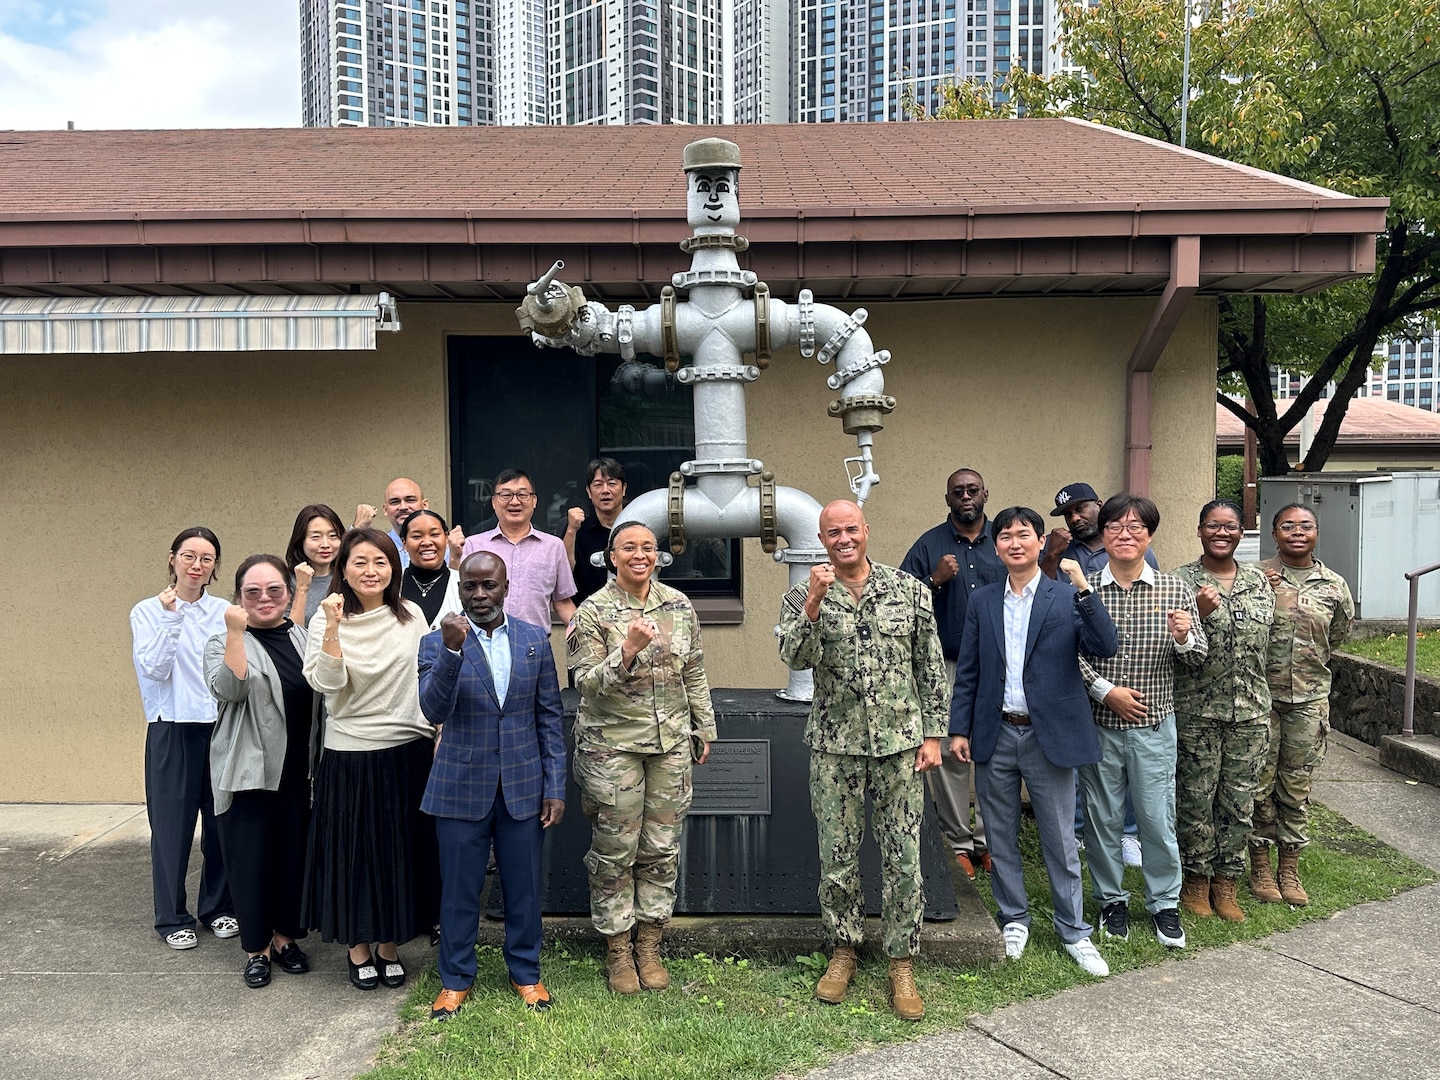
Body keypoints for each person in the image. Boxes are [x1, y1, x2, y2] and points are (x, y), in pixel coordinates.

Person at [777, 500, 948, 1022]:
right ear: (822, 539)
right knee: (837, 855)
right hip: (835, 747)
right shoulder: (802, 595)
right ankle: (843, 950)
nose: (843, 538)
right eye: (833, 532)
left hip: (900, 746)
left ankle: (901, 961)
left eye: (851, 529)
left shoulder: (908, 590)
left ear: (866, 531)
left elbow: (930, 666)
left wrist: (934, 735)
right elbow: (794, 657)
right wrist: (813, 602)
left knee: (903, 857)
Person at [949, 507, 1117, 977]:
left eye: (1024, 534)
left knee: (1060, 837)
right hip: (996, 730)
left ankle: (1074, 930)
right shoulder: (983, 600)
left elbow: (1105, 645)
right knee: (1000, 833)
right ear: (996, 546)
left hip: (1049, 734)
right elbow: (969, 671)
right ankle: (1014, 918)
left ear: (1041, 542)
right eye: (1005, 536)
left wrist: (1084, 589)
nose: (1015, 542)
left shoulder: (1066, 595)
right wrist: (959, 729)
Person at [569, 521, 715, 996]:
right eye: (628, 547)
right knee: (615, 850)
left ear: (658, 555)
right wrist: (627, 651)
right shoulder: (592, 612)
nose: (639, 555)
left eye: (648, 548)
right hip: (612, 749)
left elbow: (694, 670)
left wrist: (704, 726)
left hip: (669, 745)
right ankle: (618, 949)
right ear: (611, 557)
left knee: (661, 847)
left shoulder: (679, 604)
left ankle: (649, 945)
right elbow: (585, 684)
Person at [419, 553, 566, 1019]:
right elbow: (433, 710)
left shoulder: (534, 639)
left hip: (524, 786)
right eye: (470, 586)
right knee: (458, 893)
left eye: (489, 585)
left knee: (524, 890)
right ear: (460, 588)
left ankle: (526, 974)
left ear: (506, 587)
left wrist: (555, 785)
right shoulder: (436, 641)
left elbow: (549, 715)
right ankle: (455, 980)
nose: (480, 594)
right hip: (460, 786)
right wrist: (451, 652)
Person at [301, 528, 439, 991]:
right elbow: (327, 684)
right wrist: (333, 626)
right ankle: (357, 947)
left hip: (408, 750)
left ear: (393, 568)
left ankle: (389, 944)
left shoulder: (411, 615)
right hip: (351, 753)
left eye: (380, 561)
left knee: (397, 854)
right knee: (355, 857)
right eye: (359, 562)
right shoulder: (325, 619)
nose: (370, 571)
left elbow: (427, 675)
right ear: (343, 568)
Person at [1078, 494, 1206, 950]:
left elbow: (1197, 656)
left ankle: (1164, 904)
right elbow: (1066, 653)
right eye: (1115, 526)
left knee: (1156, 818)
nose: (1125, 535)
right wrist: (1105, 691)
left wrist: (1185, 637)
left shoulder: (1175, 589)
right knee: (1102, 820)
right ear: (1103, 534)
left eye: (1136, 527)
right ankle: (1111, 901)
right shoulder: (1085, 589)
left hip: (1154, 728)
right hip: (1099, 724)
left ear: (1149, 535)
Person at [205, 554, 321, 987]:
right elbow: (230, 689)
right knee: (250, 862)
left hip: (297, 773)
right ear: (238, 598)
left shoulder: (303, 638)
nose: (264, 598)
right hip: (248, 771)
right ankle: (256, 949)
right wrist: (237, 633)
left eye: (274, 590)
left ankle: (285, 939)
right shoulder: (221, 641)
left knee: (291, 859)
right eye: (252, 592)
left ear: (288, 593)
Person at [130, 526, 237, 950]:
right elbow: (154, 669)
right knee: (171, 828)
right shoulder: (147, 611)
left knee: (221, 823)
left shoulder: (224, 610)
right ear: (172, 558)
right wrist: (172, 617)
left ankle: (218, 907)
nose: (197, 565)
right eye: (189, 556)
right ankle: (172, 917)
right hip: (171, 727)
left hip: (218, 726)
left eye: (207, 558)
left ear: (215, 566)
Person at [1041, 481, 1155, 866]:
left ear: (1099, 505)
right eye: (1068, 514)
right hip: (1075, 668)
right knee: (1076, 756)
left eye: (1081, 508)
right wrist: (1051, 558)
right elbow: (1046, 608)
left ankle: (1128, 834)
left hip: (1125, 668)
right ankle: (1077, 831)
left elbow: (1149, 607)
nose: (1075, 518)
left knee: (1125, 757)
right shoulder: (1060, 552)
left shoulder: (1128, 547)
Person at [1171, 500, 1275, 922]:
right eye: (1213, 525)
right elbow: (1166, 649)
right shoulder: (1179, 582)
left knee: (1238, 800)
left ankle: (1227, 882)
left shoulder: (1258, 581)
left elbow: (1270, 643)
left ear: (1241, 533)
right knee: (1195, 798)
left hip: (1250, 711)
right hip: (1196, 711)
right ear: (1199, 531)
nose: (1221, 533)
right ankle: (1195, 880)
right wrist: (1197, 613)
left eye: (1230, 526)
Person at [900, 467, 1004, 878]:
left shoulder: (1004, 539)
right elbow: (900, 604)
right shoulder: (929, 544)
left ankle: (989, 842)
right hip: (945, 663)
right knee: (947, 751)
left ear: (985, 494)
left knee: (993, 749)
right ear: (947, 499)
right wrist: (934, 580)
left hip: (998, 664)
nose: (965, 497)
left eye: (972, 490)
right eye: (957, 491)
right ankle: (959, 842)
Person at [1249, 503, 1353, 906]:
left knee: (1296, 787)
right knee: (1259, 784)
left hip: (1308, 701)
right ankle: (1260, 863)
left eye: (1305, 526)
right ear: (1274, 534)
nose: (1297, 532)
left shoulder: (1334, 585)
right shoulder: (1257, 577)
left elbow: (1337, 635)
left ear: (1316, 533)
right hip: (1260, 699)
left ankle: (1289, 867)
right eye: (1287, 526)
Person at [455, 468, 578, 629]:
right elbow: (457, 596)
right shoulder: (473, 545)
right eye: (506, 495)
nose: (514, 502)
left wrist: (588, 634)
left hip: (534, 642)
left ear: (534, 501)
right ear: (493, 502)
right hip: (482, 640)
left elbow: (563, 603)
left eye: (522, 494)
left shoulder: (553, 546)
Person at [564, 457, 627, 605]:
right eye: (598, 485)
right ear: (589, 492)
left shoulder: (637, 529)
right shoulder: (578, 529)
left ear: (623, 489)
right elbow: (564, 571)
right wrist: (571, 530)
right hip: (587, 612)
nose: (605, 490)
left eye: (612, 483)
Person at [400, 509, 462, 630]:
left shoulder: (464, 582)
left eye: (434, 534)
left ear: (446, 538)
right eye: (417, 536)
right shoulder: (391, 583)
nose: (427, 542)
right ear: (404, 543)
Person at [285, 503, 346, 624]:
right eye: (316, 537)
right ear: (300, 540)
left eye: (333, 536)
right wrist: (301, 589)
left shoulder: (349, 577)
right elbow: (291, 633)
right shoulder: (285, 582)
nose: (325, 544)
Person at [354, 477, 429, 569]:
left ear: (424, 505)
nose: (403, 507)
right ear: (385, 510)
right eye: (395, 502)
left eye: (410, 500)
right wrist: (358, 528)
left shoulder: (440, 546)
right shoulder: (375, 546)